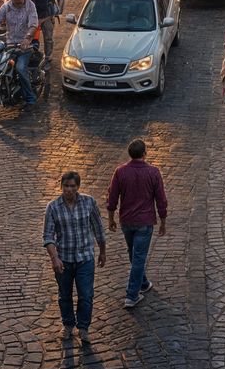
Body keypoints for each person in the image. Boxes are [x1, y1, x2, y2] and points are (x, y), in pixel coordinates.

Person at [43, 169, 107, 346]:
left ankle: (84, 328)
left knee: (86, 295)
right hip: (63, 259)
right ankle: (68, 324)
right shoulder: (53, 207)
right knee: (65, 295)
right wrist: (54, 258)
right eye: (66, 186)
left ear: (78, 187)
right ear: (61, 186)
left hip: (85, 258)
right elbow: (48, 236)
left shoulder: (89, 203)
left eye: (72, 186)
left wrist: (102, 251)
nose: (69, 190)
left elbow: (98, 228)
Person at [106, 138, 168, 309]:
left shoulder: (120, 172)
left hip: (126, 220)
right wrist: (163, 221)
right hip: (145, 221)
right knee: (139, 256)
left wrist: (111, 218)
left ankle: (143, 283)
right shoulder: (153, 172)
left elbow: (112, 197)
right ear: (144, 153)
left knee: (134, 254)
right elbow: (161, 200)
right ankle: (132, 295)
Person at [0, 0, 39, 103]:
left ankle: (30, 98)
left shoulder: (30, 6)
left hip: (25, 47)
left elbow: (33, 25)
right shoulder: (7, 6)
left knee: (20, 68)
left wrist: (27, 39)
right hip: (10, 45)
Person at [27, 0, 64, 69]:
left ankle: (48, 57)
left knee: (48, 37)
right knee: (29, 35)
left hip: (46, 17)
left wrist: (32, 6)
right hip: (36, 16)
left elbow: (42, 6)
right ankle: (32, 54)